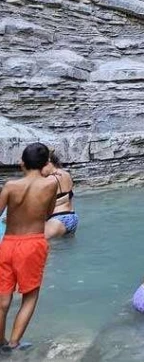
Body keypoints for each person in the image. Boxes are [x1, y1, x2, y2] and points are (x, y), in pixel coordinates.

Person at [0, 142, 58, 351]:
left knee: (3, 298)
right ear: (44, 164)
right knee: (30, 295)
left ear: (22, 162)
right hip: (33, 243)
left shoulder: (9, 186)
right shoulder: (51, 184)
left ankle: (1, 342)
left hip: (8, 244)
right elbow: (49, 212)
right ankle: (14, 343)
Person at [42, 151, 78, 239]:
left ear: (48, 162)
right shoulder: (66, 174)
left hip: (57, 220)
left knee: (45, 249)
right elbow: (67, 197)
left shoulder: (49, 180)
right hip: (72, 218)